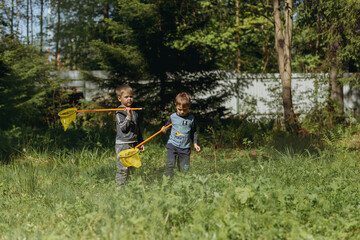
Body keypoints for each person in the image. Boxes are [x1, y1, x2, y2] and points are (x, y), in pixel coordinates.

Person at [162, 92, 201, 177]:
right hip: (173, 144)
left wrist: (195, 143)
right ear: (176, 105)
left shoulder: (191, 118)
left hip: (185, 147)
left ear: (189, 106)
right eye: (179, 109)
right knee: (170, 163)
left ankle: (182, 181)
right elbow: (167, 126)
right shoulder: (173, 117)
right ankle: (168, 181)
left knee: (184, 168)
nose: (182, 112)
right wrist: (164, 129)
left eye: (185, 110)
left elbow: (193, 131)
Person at [115, 84, 145, 186]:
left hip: (133, 143)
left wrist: (141, 142)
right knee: (123, 168)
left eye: (131, 96)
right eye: (126, 97)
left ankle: (131, 186)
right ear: (119, 98)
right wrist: (128, 116)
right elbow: (123, 127)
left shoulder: (134, 112)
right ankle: (120, 187)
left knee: (132, 167)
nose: (129, 99)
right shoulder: (119, 112)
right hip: (123, 144)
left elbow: (137, 128)